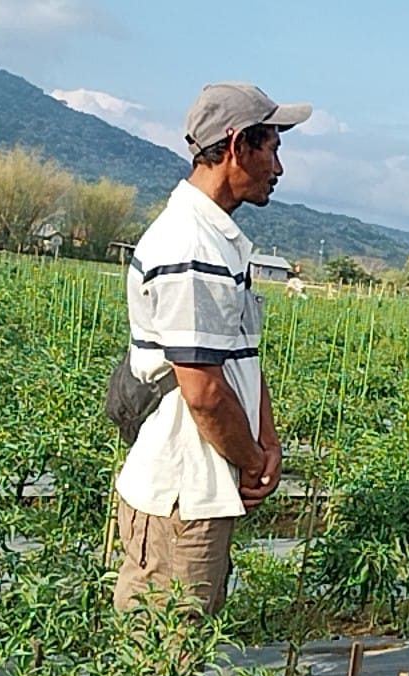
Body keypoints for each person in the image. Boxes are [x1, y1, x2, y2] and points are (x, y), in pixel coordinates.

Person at [112, 82, 311, 620]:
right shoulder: (190, 246)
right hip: (181, 496)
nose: (278, 166)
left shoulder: (217, 242)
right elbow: (202, 392)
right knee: (162, 664)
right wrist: (252, 462)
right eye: (271, 146)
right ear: (235, 145)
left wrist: (266, 440)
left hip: (204, 488)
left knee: (184, 654)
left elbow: (239, 358)